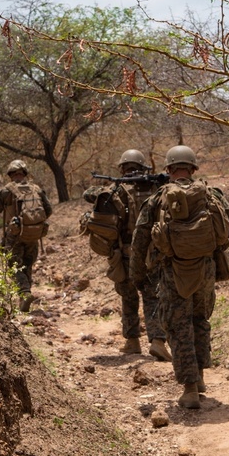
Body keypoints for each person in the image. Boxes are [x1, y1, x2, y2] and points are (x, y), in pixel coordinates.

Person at [130, 145, 229, 409]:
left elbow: (140, 238)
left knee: (179, 328)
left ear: (168, 169)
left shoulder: (158, 198)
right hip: (205, 269)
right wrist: (211, 250)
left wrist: (138, 274)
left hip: (172, 271)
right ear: (193, 168)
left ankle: (190, 389)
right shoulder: (211, 194)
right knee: (199, 320)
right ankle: (200, 377)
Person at [84, 150, 171, 361]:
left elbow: (89, 194)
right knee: (153, 297)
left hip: (125, 254)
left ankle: (132, 341)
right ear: (143, 167)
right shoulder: (157, 188)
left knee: (129, 297)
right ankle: (157, 341)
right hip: (152, 253)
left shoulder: (118, 191)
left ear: (123, 168)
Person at [0, 159, 53, 312]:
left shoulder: (6, 191)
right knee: (28, 264)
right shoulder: (36, 189)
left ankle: (24, 293)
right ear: (24, 173)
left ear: (10, 174)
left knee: (14, 266)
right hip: (33, 234)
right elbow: (49, 210)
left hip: (14, 235)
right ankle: (24, 299)